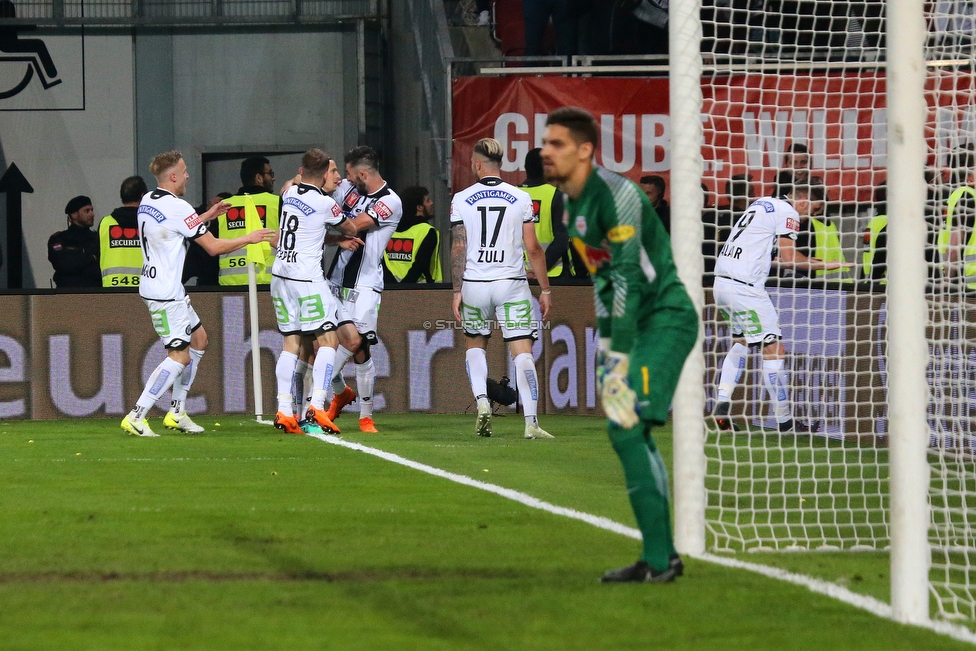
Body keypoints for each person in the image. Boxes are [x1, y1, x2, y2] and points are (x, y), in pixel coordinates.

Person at [540, 107, 694, 583]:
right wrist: (608, 346)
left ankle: (660, 558)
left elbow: (627, 278)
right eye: (546, 143)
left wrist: (616, 354)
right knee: (627, 428)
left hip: (664, 319)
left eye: (557, 144)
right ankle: (659, 556)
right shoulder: (569, 205)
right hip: (634, 325)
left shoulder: (619, 195)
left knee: (625, 426)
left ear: (585, 151)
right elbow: (604, 283)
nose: (545, 152)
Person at [120, 150, 273, 437]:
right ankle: (137, 415)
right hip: (165, 292)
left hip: (160, 286)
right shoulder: (179, 207)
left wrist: (206, 216)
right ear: (173, 176)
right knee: (179, 356)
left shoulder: (149, 201)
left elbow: (171, 227)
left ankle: (176, 411)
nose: (188, 175)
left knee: (199, 339)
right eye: (184, 170)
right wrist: (249, 238)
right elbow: (213, 247)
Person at [711, 185, 851, 435]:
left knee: (741, 341)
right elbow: (788, 259)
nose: (812, 217)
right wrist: (829, 265)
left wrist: (816, 262)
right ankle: (785, 422)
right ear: (804, 201)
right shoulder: (789, 213)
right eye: (815, 209)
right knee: (774, 348)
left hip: (721, 283)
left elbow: (770, 257)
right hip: (746, 288)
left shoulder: (762, 203)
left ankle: (722, 404)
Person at [451, 137, 553, 440]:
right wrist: (545, 290)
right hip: (511, 283)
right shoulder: (520, 198)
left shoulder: (461, 198)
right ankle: (531, 423)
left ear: (478, 164)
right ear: (502, 165)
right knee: (522, 350)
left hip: (476, 284)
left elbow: (459, 248)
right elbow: (533, 248)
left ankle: (483, 402)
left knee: (475, 346)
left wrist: (457, 290)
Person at [270, 149, 359, 434]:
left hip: (280, 277)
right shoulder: (324, 203)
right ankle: (317, 407)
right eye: (332, 172)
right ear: (323, 176)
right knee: (328, 341)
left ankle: (285, 410)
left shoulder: (288, 193)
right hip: (307, 279)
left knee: (291, 344)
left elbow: (293, 184)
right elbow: (351, 227)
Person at [324, 146, 403, 433]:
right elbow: (304, 188)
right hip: (335, 280)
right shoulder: (348, 189)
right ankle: (342, 393)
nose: (343, 179)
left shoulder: (390, 201)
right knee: (329, 343)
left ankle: (364, 416)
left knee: (357, 343)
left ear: (362, 174)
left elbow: (355, 226)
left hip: (365, 283)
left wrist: (325, 222)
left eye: (347, 173)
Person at [216, 156, 280, 286]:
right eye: (270, 174)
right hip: (267, 286)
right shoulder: (277, 203)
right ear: (259, 178)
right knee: (265, 308)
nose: (273, 178)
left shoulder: (223, 206)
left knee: (232, 308)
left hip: (231, 287)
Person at [520, 148, 570, 279]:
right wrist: (539, 269)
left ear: (525, 167)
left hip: (518, 275)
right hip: (552, 275)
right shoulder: (556, 195)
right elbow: (562, 239)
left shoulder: (511, 196)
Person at [383, 185, 442, 284]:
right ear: (419, 207)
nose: (431, 203)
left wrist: (395, 288)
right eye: (427, 200)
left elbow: (383, 264)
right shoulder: (427, 231)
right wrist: (405, 289)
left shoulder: (389, 231)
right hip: (421, 292)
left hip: (389, 290)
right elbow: (420, 265)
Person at [702, 173, 755, 285]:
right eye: (752, 193)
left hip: (704, 278)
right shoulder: (748, 220)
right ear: (745, 195)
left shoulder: (710, 215)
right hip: (734, 282)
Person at [99, 176, 148, 288]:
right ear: (143, 196)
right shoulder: (149, 224)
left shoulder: (106, 223)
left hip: (112, 290)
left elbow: (97, 255)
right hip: (146, 289)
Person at [48, 195, 101, 288]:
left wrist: (78, 257)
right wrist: (91, 257)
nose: (92, 214)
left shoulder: (97, 238)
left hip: (95, 293)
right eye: (87, 211)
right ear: (74, 214)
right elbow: (63, 265)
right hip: (68, 294)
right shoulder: (59, 239)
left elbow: (100, 268)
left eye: (92, 210)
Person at [183, 191, 231, 286]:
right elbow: (187, 225)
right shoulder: (198, 213)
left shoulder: (226, 219)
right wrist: (207, 210)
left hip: (216, 263)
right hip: (197, 259)